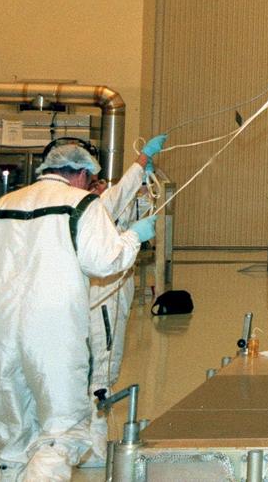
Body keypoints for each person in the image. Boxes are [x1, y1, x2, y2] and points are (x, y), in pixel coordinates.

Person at [0, 141, 158, 481]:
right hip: (53, 334)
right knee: (62, 430)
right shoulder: (81, 204)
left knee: (12, 433)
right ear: (82, 174)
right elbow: (104, 261)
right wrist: (132, 238)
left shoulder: (2, 206)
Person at [84, 134, 166, 466]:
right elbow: (115, 200)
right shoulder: (91, 211)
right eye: (94, 183)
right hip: (100, 297)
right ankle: (90, 447)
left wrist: (144, 191)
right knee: (99, 371)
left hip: (116, 294)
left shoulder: (103, 209)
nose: (101, 187)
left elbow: (129, 210)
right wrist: (141, 163)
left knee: (104, 366)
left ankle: (88, 438)